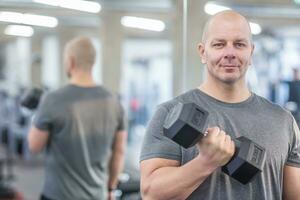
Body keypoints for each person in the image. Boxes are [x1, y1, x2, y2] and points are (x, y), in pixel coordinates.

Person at [140, 11, 300, 200]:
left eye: (239, 44)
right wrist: (206, 162)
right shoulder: (169, 113)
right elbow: (151, 193)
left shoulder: (282, 120)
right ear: (203, 52)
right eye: (219, 44)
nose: (230, 53)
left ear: (251, 52)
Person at [27, 37, 127, 200]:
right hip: (97, 195)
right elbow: (119, 151)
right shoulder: (114, 101)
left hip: (58, 195)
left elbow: (34, 146)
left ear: (70, 61)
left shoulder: (53, 99)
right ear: (93, 62)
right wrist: (111, 188)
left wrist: (37, 116)